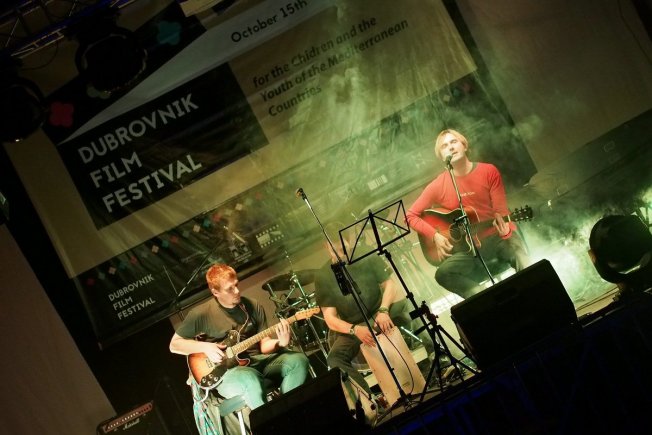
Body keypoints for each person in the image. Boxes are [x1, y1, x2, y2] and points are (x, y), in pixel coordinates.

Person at [169, 263, 310, 429]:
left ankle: (288, 417)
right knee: (250, 378)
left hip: (256, 362)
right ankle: (273, 427)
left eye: (236, 285)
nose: (236, 291)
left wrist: (280, 342)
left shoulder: (253, 306)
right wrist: (206, 347)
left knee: (299, 360)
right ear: (215, 292)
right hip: (227, 373)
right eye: (229, 289)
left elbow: (264, 345)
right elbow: (174, 345)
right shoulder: (201, 314)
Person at [406, 128, 530, 300]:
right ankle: (486, 302)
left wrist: (506, 231)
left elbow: (500, 211)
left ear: (464, 146)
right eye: (444, 146)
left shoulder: (488, 171)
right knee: (443, 274)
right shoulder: (438, 185)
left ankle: (532, 293)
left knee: (517, 252)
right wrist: (435, 236)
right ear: (441, 156)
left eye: (454, 142)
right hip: (468, 250)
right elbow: (410, 215)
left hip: (497, 237)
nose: (450, 147)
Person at [313, 222, 435, 394]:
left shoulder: (364, 253)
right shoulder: (322, 276)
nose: (340, 255)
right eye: (335, 250)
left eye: (343, 249)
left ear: (349, 242)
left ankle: (438, 357)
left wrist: (384, 310)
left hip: (380, 311)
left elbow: (390, 284)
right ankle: (368, 400)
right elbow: (330, 319)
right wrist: (355, 329)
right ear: (326, 247)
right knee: (335, 358)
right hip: (355, 326)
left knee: (412, 308)